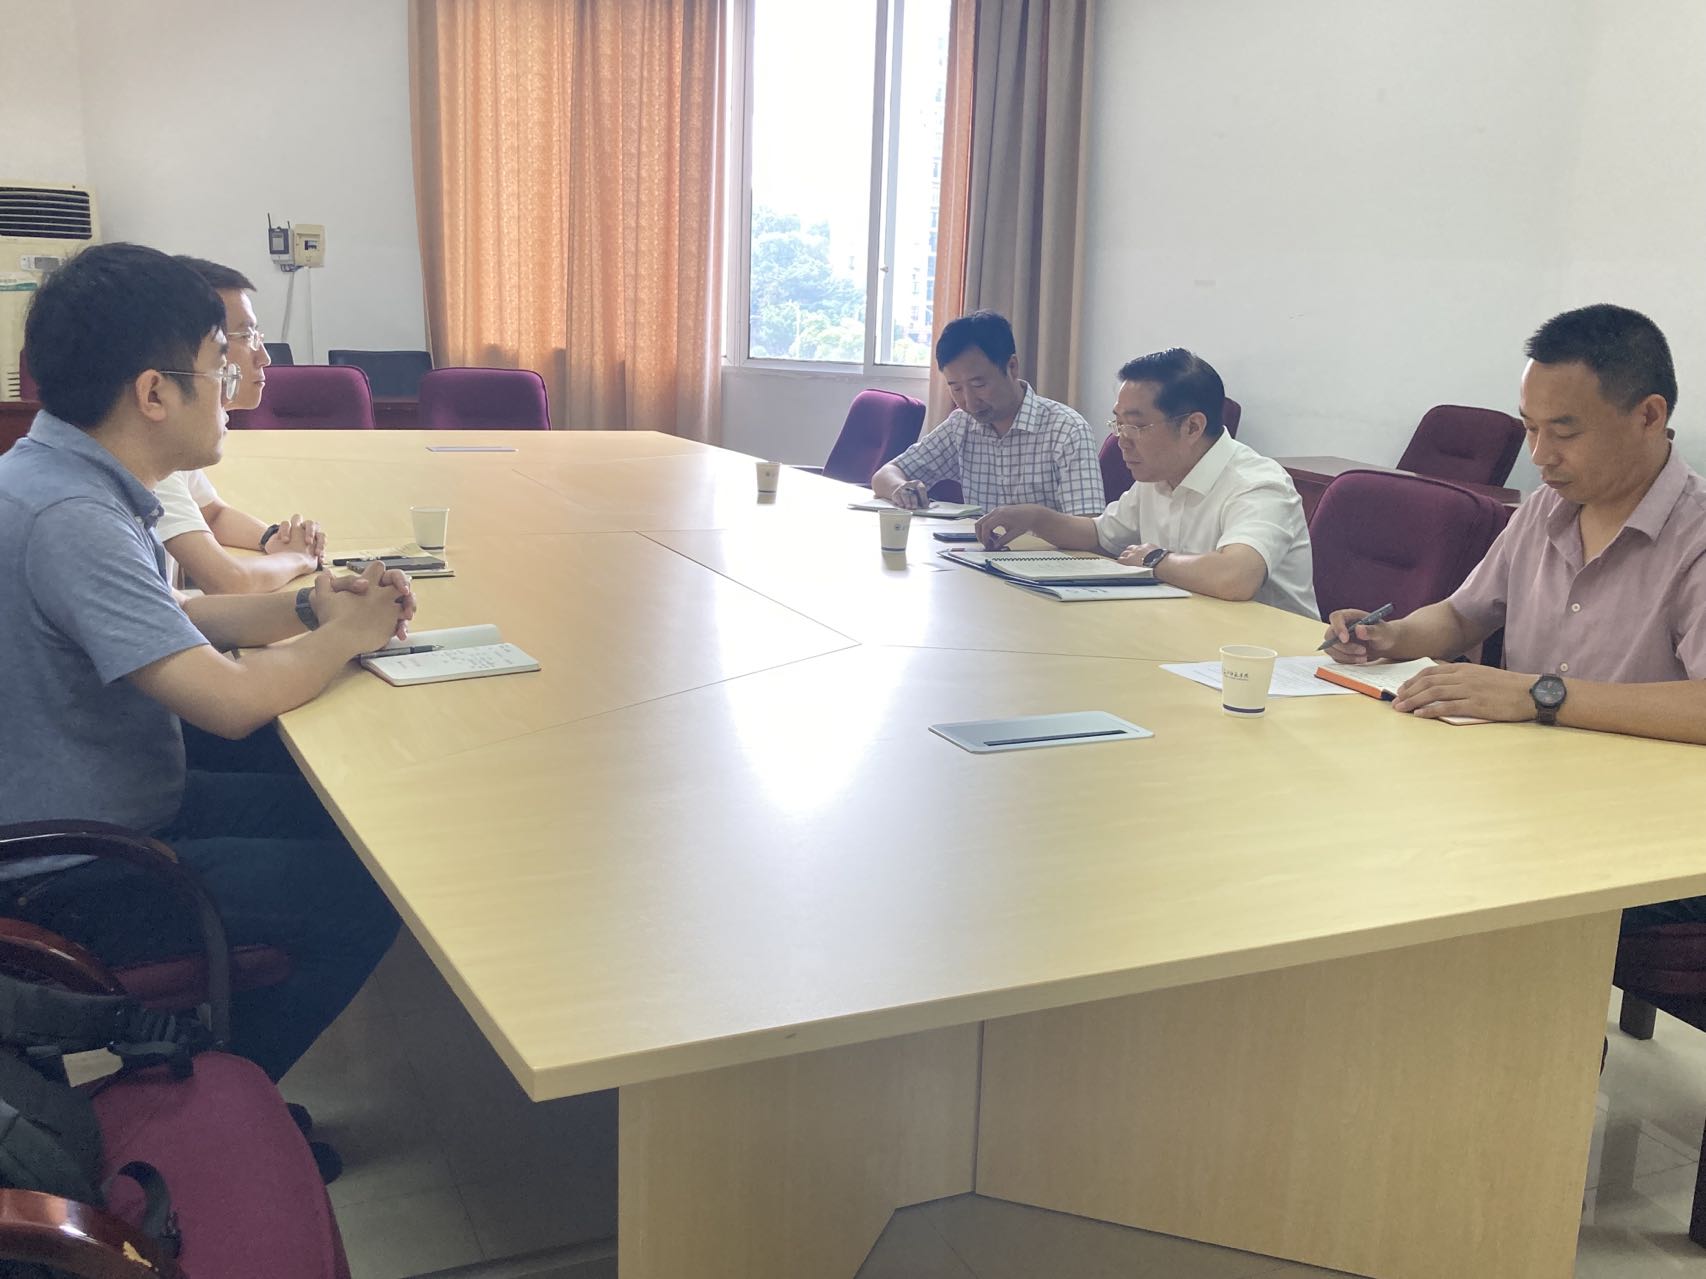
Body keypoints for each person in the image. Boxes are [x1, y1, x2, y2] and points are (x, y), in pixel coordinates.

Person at [0, 242, 410, 1082]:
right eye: (220, 364)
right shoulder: (71, 516)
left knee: (355, 824)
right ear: (154, 393)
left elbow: (173, 616)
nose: (233, 387)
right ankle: (208, 1088)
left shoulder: (58, 475)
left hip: (118, 802)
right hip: (74, 870)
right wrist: (347, 635)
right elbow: (227, 701)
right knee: (371, 891)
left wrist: (310, 608)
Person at [1321, 304, 1706, 927]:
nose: (1539, 456)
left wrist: (1540, 695)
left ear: (1649, 415)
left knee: (1430, 890)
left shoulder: (1697, 539)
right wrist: (1392, 635)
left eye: (1564, 432)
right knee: (1359, 833)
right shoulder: (1543, 509)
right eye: (1529, 429)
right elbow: (1463, 615)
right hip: (1525, 793)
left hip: (1649, 835)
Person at [975, 348, 1317, 618]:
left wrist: (1154, 559)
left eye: (1136, 426)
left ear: (1192, 427)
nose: (1121, 439)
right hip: (1187, 632)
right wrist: (1036, 518)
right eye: (1118, 423)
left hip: (1265, 658)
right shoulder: (1159, 474)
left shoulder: (1258, 484)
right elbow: (1099, 535)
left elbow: (1236, 576)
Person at [155, 257, 324, 593]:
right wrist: (298, 559)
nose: (264, 357)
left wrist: (272, 538)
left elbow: (211, 513)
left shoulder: (177, 435)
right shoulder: (153, 449)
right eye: (246, 335)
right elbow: (229, 582)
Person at [869, 310, 1103, 515]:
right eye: (956, 388)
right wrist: (900, 489)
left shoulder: (1067, 430)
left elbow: (1088, 526)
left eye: (979, 385)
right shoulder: (961, 425)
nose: (969, 402)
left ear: (1012, 367)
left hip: (1045, 552)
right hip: (977, 550)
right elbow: (885, 475)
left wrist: (1037, 521)